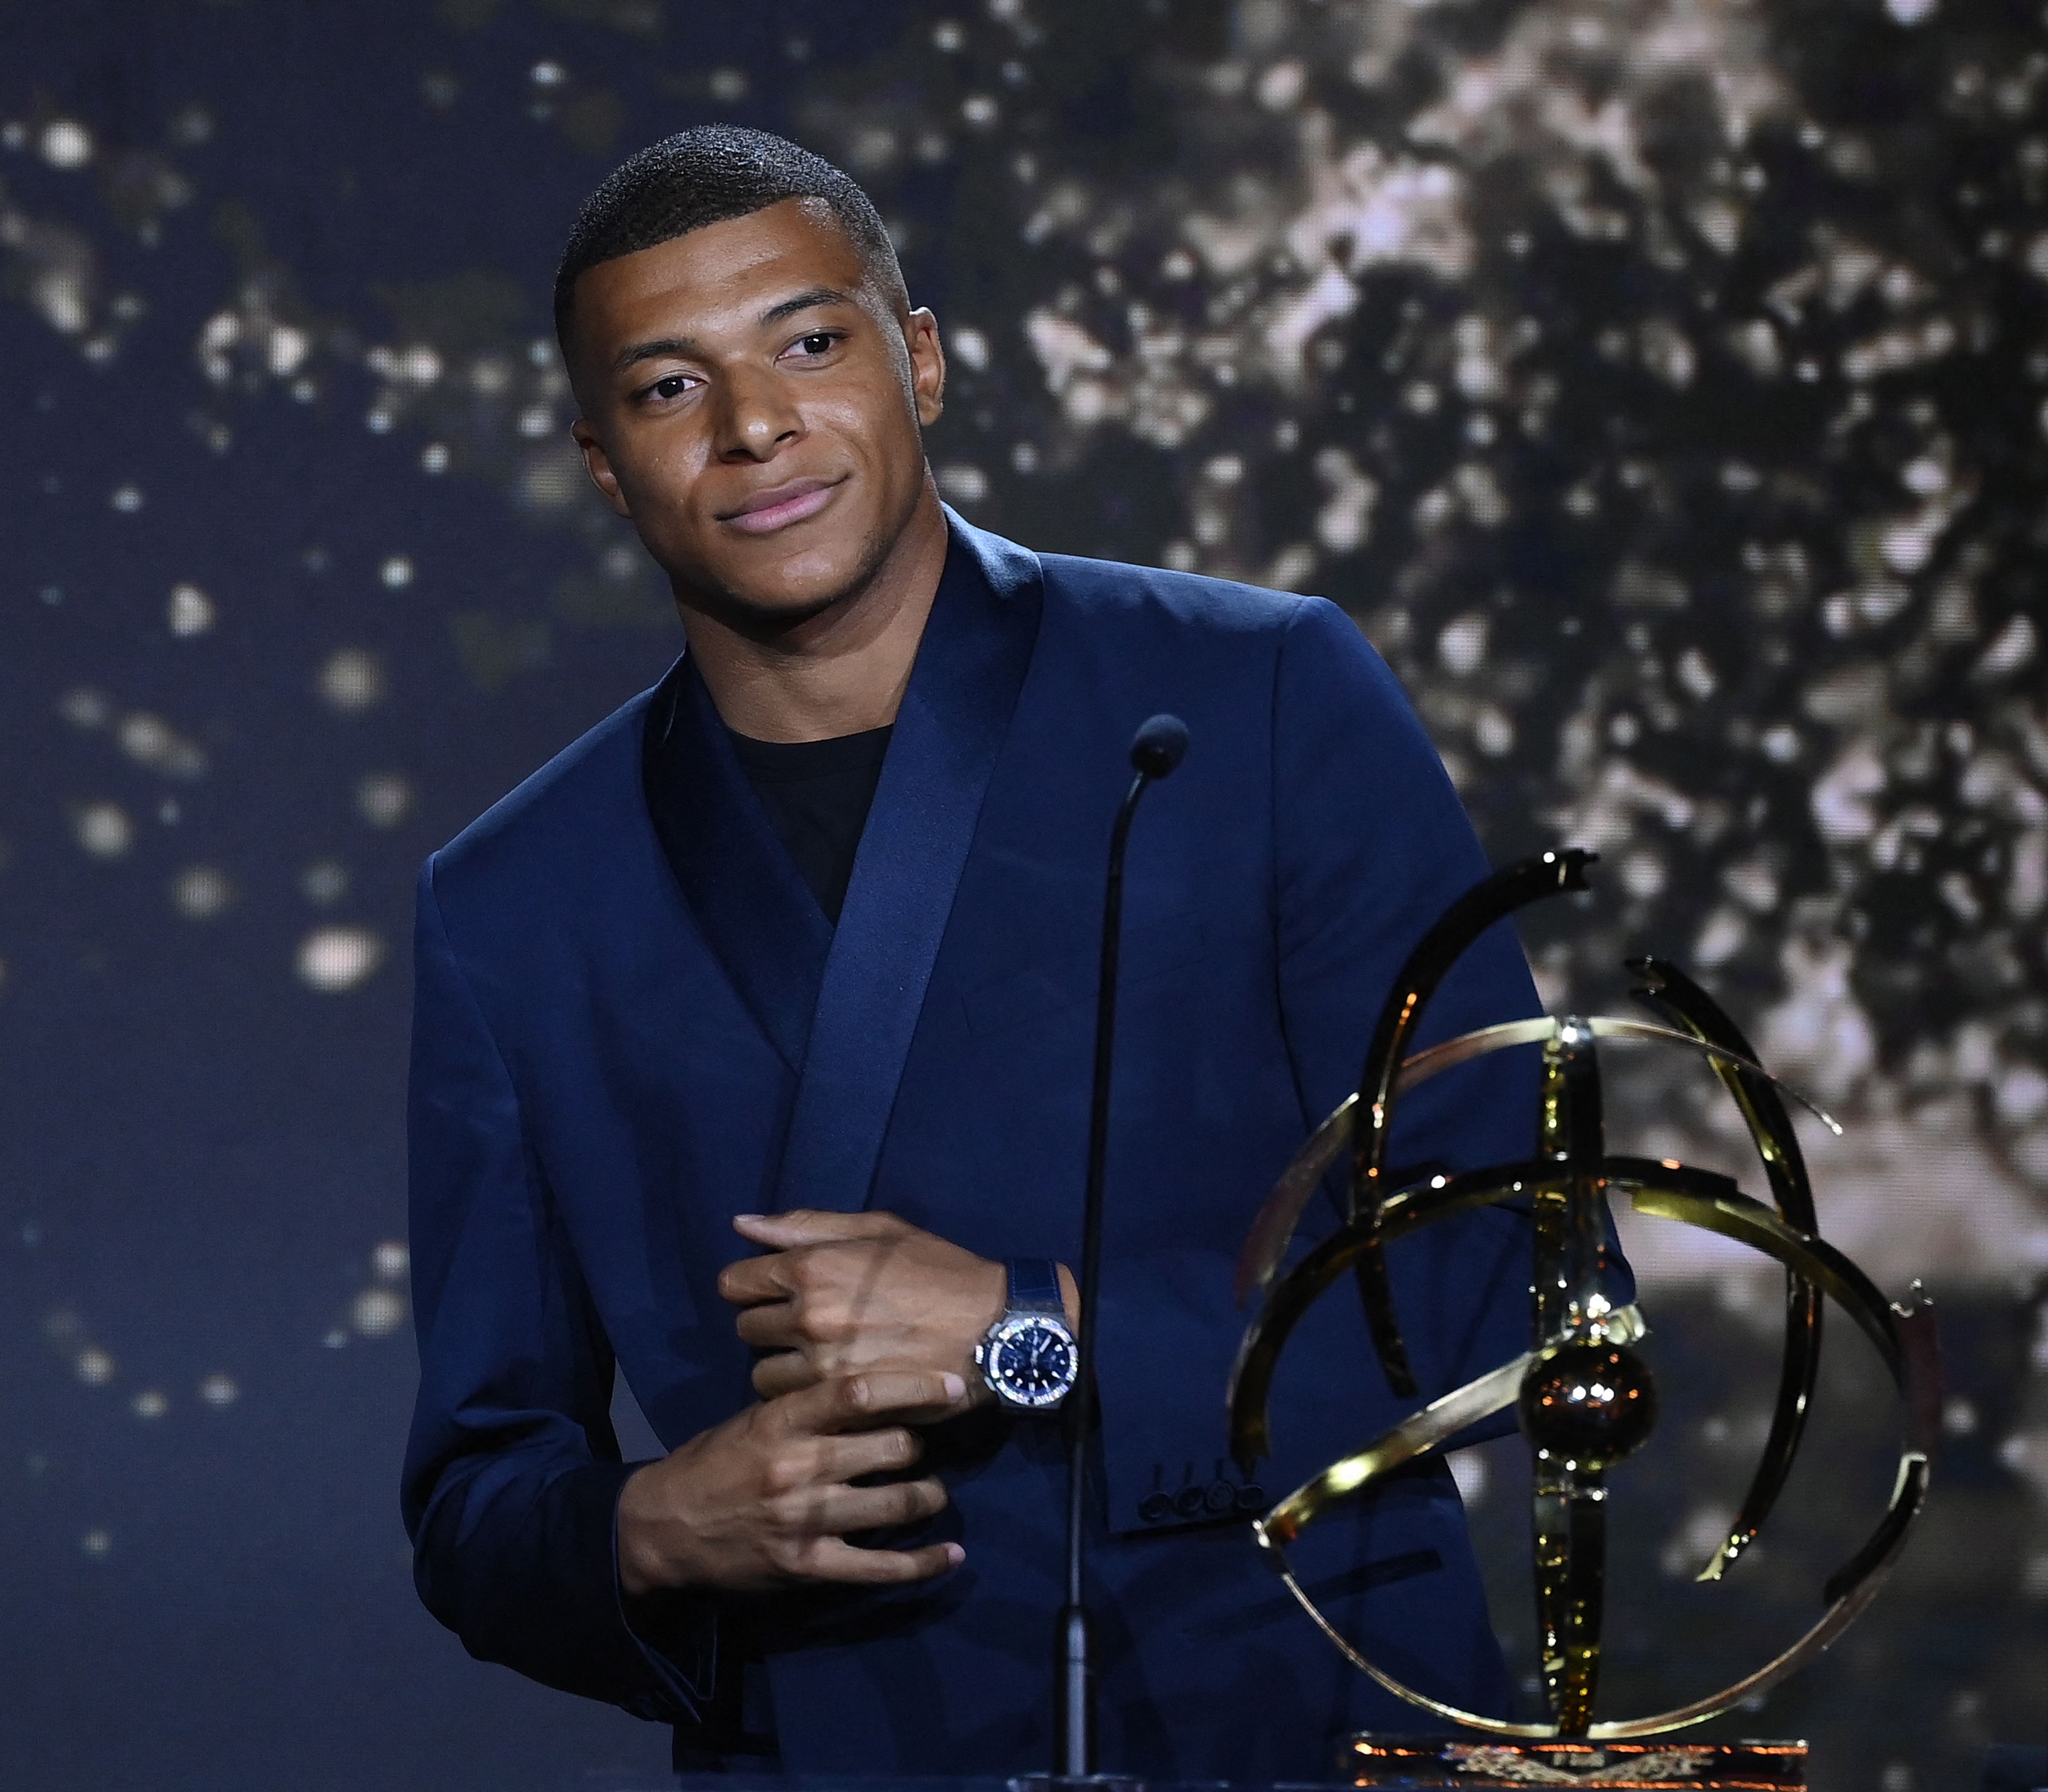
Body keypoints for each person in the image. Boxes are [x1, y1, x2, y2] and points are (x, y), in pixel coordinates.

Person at [402, 125, 1547, 1784]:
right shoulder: (516, 898)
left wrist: (1035, 1327)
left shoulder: (1259, 699)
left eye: (810, 341)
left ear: (917, 360)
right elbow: (479, 1500)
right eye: (669, 388)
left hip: (1310, 1719)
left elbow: (1520, 1281)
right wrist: (651, 1522)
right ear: (601, 458)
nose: (755, 427)